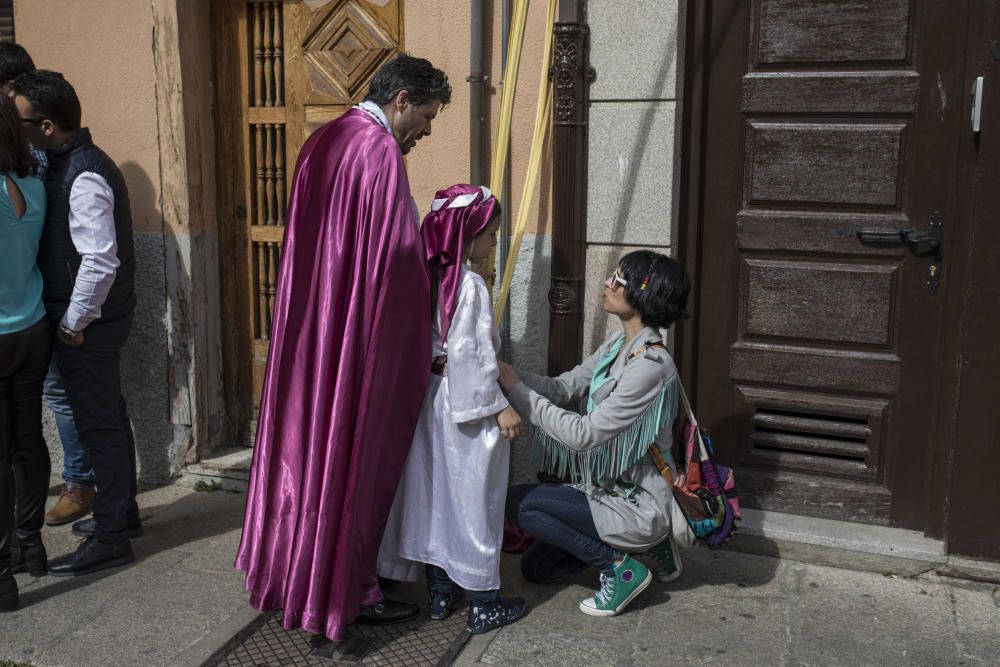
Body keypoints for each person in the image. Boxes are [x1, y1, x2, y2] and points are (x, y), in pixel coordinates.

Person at [235, 54, 452, 641]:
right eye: (427, 118)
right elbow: (395, 265)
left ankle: (294, 576)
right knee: (351, 457)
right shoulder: (377, 150)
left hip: (312, 335)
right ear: (402, 99)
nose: (426, 133)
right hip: (356, 341)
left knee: (304, 459)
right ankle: (344, 591)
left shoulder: (323, 139)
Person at [500, 250, 691, 617]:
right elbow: (562, 388)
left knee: (518, 504)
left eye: (618, 280)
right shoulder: (620, 346)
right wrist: (507, 373)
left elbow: (584, 435)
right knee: (536, 570)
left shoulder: (651, 366)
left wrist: (516, 393)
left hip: (635, 500)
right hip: (604, 488)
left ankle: (620, 568)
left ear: (642, 294)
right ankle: (650, 548)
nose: (606, 283)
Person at [377, 184, 529, 634]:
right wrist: (499, 407)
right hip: (467, 408)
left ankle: (440, 592)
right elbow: (470, 353)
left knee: (434, 498)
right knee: (474, 501)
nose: (492, 244)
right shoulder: (470, 285)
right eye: (490, 235)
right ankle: (484, 601)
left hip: (431, 400)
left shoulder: (425, 276)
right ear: (468, 232)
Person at [12, 70, 141, 575]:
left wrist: (71, 323)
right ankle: (122, 514)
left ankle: (112, 532)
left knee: (100, 424)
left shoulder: (82, 173)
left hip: (88, 321)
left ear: (46, 127)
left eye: (17, 119)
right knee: (107, 415)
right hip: (93, 316)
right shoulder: (71, 163)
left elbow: (99, 260)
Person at [0, 92, 50, 612]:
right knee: (28, 439)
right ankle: (30, 544)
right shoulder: (35, 186)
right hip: (32, 328)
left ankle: (2, 578)